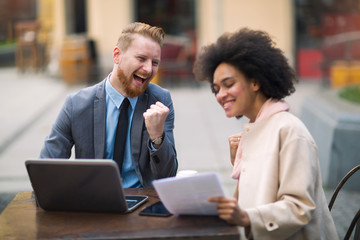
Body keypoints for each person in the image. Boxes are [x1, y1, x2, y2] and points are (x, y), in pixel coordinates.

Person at [193, 28, 338, 239]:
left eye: (228, 84)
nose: (220, 95)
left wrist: (244, 217)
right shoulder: (257, 128)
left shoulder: (289, 130)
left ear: (255, 82)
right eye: (216, 89)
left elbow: (299, 207)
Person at [40, 22, 178, 188]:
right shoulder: (76, 105)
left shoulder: (160, 101)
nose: (148, 69)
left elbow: (168, 175)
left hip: (143, 204)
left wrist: (157, 137)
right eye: (141, 58)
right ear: (117, 56)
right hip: (93, 204)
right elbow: (46, 168)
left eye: (155, 62)